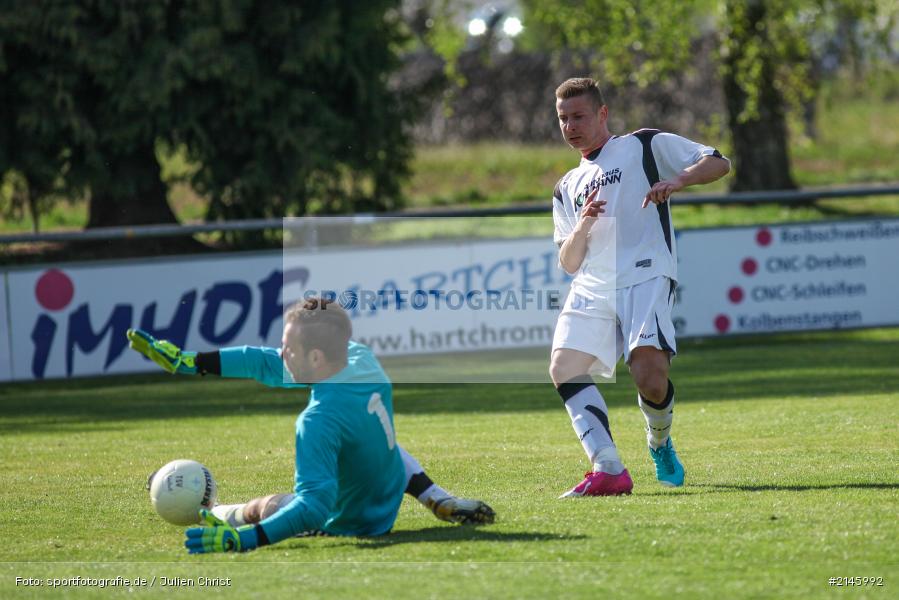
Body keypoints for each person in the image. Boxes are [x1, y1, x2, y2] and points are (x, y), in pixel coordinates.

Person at [131, 297, 494, 554]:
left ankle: (216, 512)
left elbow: (314, 507)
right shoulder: (361, 359)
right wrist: (189, 362)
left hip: (357, 522)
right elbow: (264, 362)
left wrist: (246, 539)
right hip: (387, 489)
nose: (281, 352)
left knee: (266, 506)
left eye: (287, 347)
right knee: (375, 438)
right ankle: (436, 497)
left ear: (316, 357)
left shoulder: (317, 421)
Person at [549, 77, 730, 497]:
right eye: (562, 118)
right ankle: (607, 466)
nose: (570, 126)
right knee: (563, 367)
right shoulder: (565, 187)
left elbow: (719, 162)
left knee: (650, 379)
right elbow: (569, 262)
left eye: (578, 116)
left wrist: (678, 182)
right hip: (593, 285)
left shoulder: (643, 145)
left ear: (602, 114)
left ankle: (659, 441)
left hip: (645, 273)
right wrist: (584, 226)